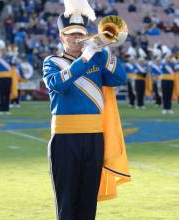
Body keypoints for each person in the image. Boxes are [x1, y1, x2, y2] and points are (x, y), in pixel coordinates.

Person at [43, 1, 131, 220]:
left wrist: (104, 51)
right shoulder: (52, 62)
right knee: (67, 202)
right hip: (65, 140)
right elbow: (58, 84)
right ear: (61, 36)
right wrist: (84, 58)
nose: (77, 38)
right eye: (70, 34)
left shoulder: (96, 58)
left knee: (88, 202)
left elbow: (120, 77)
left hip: (94, 138)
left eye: (80, 33)